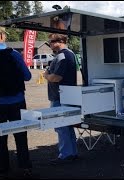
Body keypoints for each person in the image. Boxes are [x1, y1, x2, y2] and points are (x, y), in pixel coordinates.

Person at [0, 24, 32, 178]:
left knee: (0, 137)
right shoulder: (14, 54)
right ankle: (25, 168)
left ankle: (2, 169)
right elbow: (28, 76)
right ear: (3, 36)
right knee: (20, 136)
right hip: (17, 101)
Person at [43, 33, 78, 164]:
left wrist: (46, 75)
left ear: (61, 41)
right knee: (67, 126)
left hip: (60, 97)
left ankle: (66, 155)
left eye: (52, 41)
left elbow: (56, 77)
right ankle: (71, 153)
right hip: (66, 96)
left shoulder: (63, 55)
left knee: (61, 126)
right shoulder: (68, 54)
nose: (50, 44)